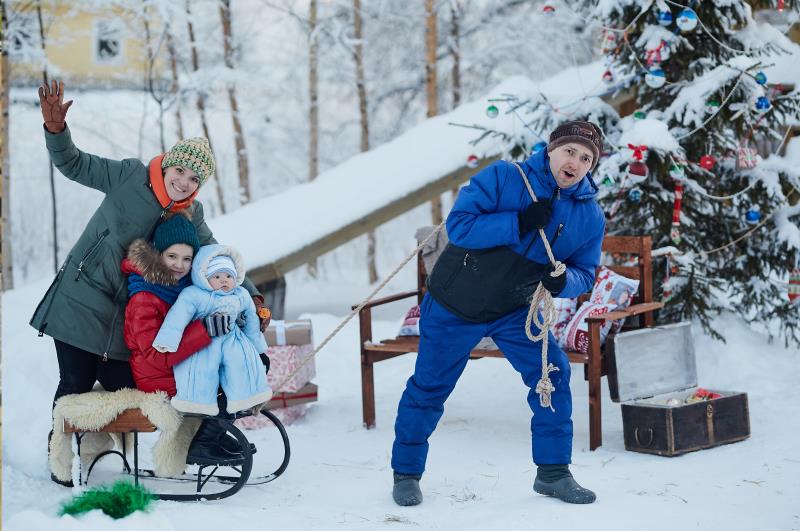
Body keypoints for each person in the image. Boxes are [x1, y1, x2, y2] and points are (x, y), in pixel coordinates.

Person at [32, 81, 269, 484]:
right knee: (74, 380)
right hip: (83, 296)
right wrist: (56, 130)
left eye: (195, 178)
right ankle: (61, 454)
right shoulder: (129, 176)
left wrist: (253, 296)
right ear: (166, 165)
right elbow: (74, 164)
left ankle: (104, 448)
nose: (184, 181)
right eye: (180, 170)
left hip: (131, 313)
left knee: (124, 385)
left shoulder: (190, 215)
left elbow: (214, 258)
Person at [390, 121, 606, 506]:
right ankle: (406, 473)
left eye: (586, 157)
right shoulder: (507, 177)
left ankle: (553, 473)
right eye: (570, 151)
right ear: (551, 150)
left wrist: (563, 283)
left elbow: (584, 272)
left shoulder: (589, 216)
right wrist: (518, 222)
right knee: (429, 388)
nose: (575, 162)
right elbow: (459, 226)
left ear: (591, 166)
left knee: (552, 375)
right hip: (455, 302)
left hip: (514, 309)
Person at [123, 212, 255, 465]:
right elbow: (156, 357)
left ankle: (213, 434)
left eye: (187, 259)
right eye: (172, 256)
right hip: (157, 376)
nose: (179, 265)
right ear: (157, 255)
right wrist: (205, 330)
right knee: (231, 383)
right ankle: (204, 443)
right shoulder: (144, 298)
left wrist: (230, 322)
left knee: (245, 368)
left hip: (184, 366)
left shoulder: (184, 288)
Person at [152, 243, 272, 417]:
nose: (224, 280)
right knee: (200, 370)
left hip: (233, 338)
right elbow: (178, 316)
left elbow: (252, 319)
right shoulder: (194, 294)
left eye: (229, 276)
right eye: (217, 276)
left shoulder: (240, 294)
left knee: (242, 364)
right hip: (206, 343)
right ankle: (196, 401)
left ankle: (245, 397)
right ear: (204, 277)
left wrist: (256, 344)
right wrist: (167, 340)